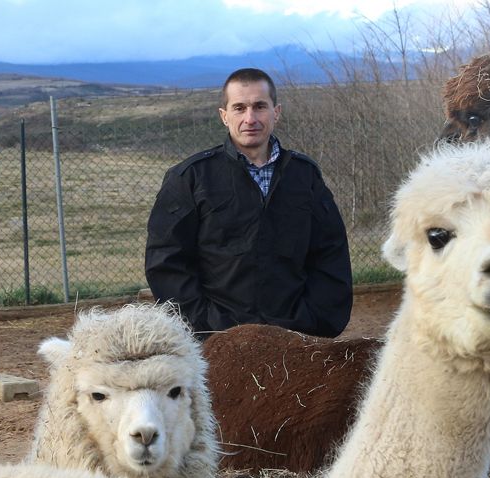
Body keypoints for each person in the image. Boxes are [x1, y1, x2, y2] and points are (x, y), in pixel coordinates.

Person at [145, 67, 352, 338]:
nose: (250, 118)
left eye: (259, 106)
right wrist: (205, 326)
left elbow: (330, 251)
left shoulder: (304, 176)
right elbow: (166, 260)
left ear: (276, 112)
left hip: (295, 334)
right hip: (218, 340)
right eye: (239, 108)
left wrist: (312, 318)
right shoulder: (191, 178)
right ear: (224, 116)